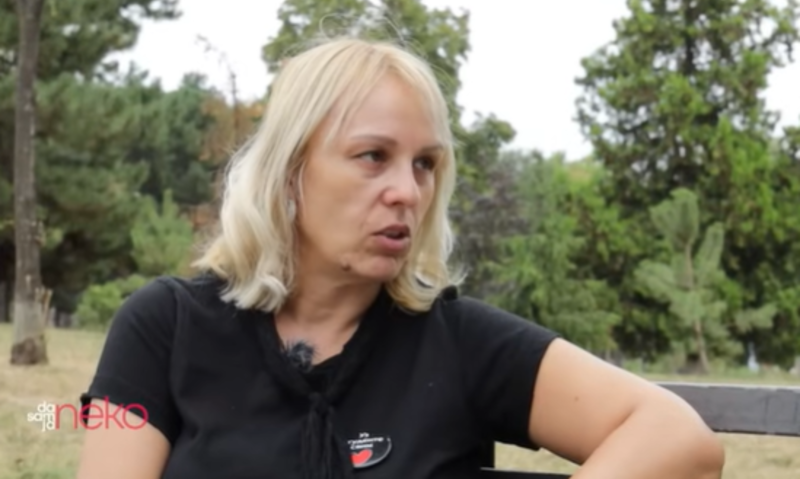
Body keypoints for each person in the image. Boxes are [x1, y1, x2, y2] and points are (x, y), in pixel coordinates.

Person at [75, 37, 725, 479]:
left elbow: (679, 440)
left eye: (425, 164)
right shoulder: (163, 328)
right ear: (290, 172)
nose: (408, 192)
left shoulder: (457, 344)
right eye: (373, 157)